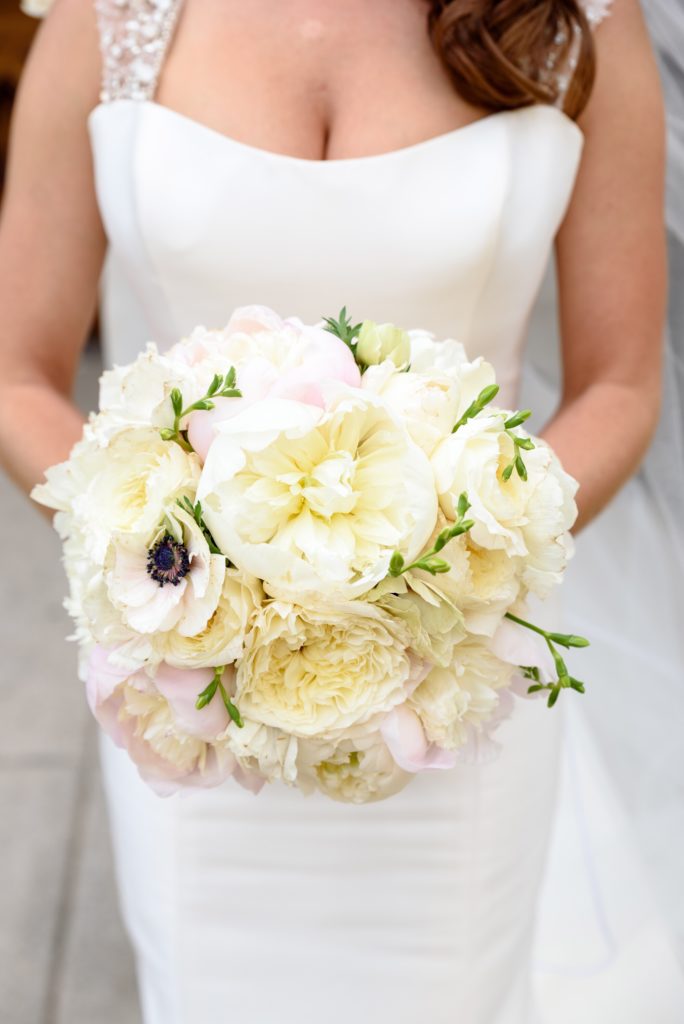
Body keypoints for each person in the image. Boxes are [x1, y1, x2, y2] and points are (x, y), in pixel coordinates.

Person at [0, 1, 681, 1021]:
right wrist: (180, 557)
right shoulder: (111, 18)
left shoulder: (578, 19)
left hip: (459, 684)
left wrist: (449, 563)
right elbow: (19, 376)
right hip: (196, 698)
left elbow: (621, 384)